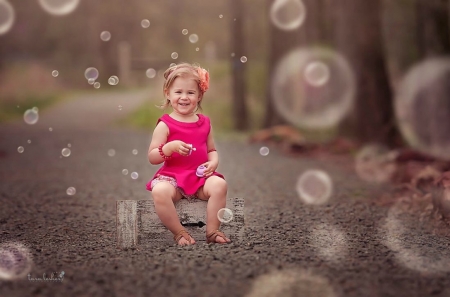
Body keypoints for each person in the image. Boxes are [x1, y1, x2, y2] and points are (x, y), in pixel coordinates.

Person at [146, 62, 231, 246]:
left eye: (190, 93)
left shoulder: (205, 123)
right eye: (178, 92)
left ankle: (212, 231)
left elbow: (211, 150)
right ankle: (180, 233)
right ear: (168, 93)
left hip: (200, 178)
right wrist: (168, 148)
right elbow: (152, 156)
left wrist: (214, 162)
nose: (184, 97)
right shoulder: (165, 124)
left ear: (199, 95)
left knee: (219, 185)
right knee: (159, 191)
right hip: (173, 180)